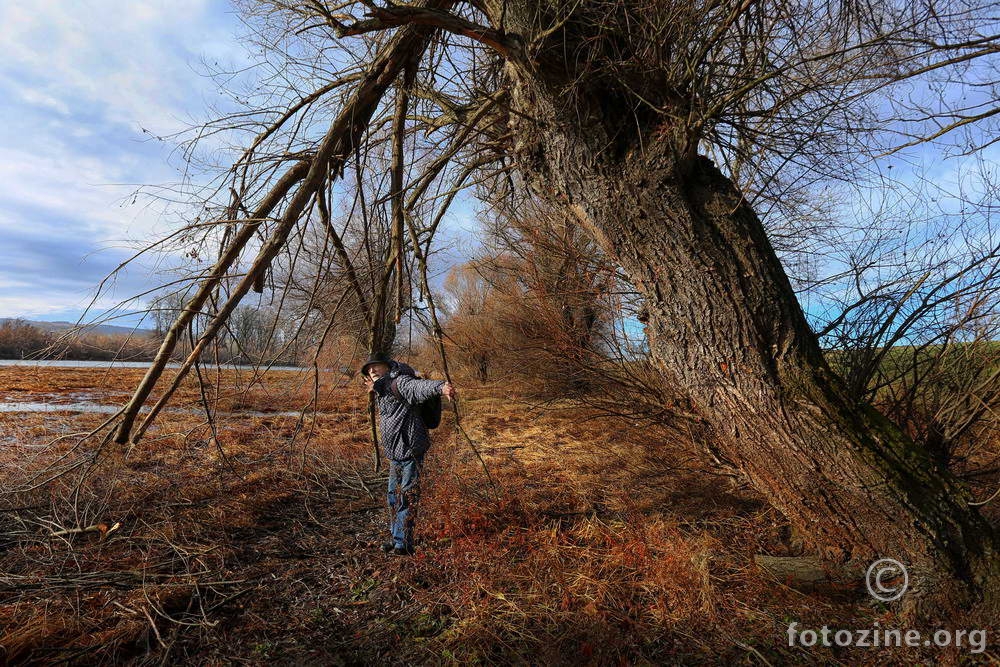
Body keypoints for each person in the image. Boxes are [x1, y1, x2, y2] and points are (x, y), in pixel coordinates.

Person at [361, 352, 455, 556]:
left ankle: (404, 544)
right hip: (395, 454)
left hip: (411, 451)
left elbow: (419, 388)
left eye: (375, 366)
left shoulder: (400, 382)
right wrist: (375, 388)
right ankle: (397, 540)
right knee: (393, 498)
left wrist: (441, 387)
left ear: (387, 366)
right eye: (369, 369)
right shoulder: (383, 388)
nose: (372, 370)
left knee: (407, 498)